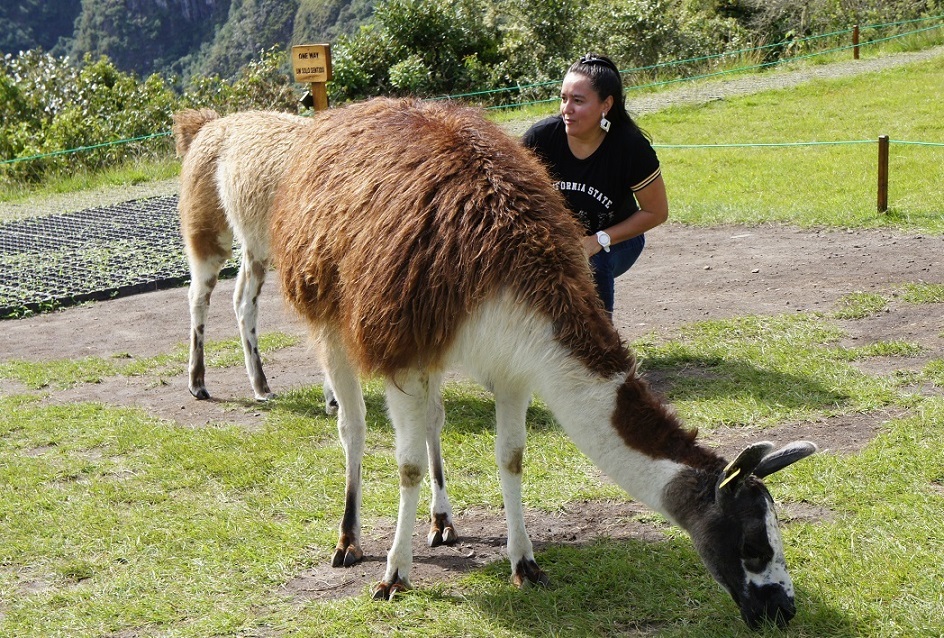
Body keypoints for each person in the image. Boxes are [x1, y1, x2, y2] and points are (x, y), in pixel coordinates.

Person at [523, 53, 668, 316]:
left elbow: (656, 212)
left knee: (593, 264)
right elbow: (514, 198)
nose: (567, 109)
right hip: (556, 239)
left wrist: (599, 240)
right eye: (563, 98)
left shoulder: (630, 147)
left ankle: (601, 350)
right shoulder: (540, 139)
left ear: (606, 104)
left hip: (618, 240)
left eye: (578, 101)